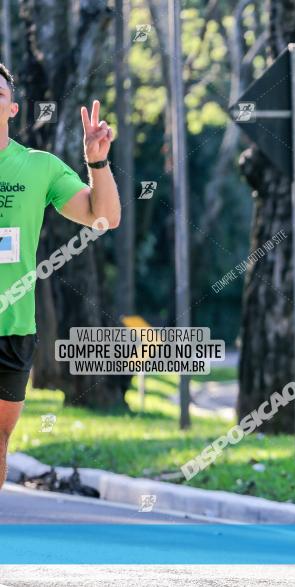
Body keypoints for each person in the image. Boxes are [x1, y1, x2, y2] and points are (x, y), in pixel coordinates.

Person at [0, 63, 121, 490]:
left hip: (12, 326)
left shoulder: (38, 167)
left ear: (12, 108)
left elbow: (103, 218)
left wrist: (98, 162)